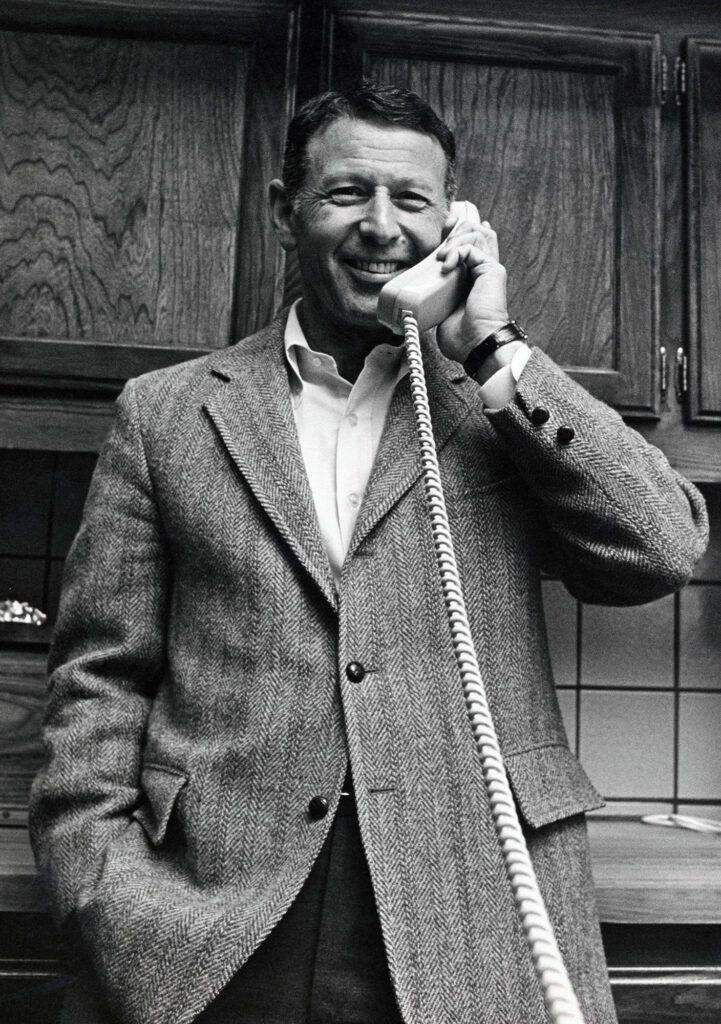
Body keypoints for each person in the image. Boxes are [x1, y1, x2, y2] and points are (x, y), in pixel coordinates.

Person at [30, 81, 708, 1024]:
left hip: (468, 907)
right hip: (207, 915)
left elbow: (659, 549)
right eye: (348, 193)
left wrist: (497, 351)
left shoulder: (493, 402)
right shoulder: (166, 412)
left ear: (454, 224)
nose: (381, 227)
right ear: (285, 210)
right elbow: (100, 677)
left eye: (412, 199)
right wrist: (103, 883)